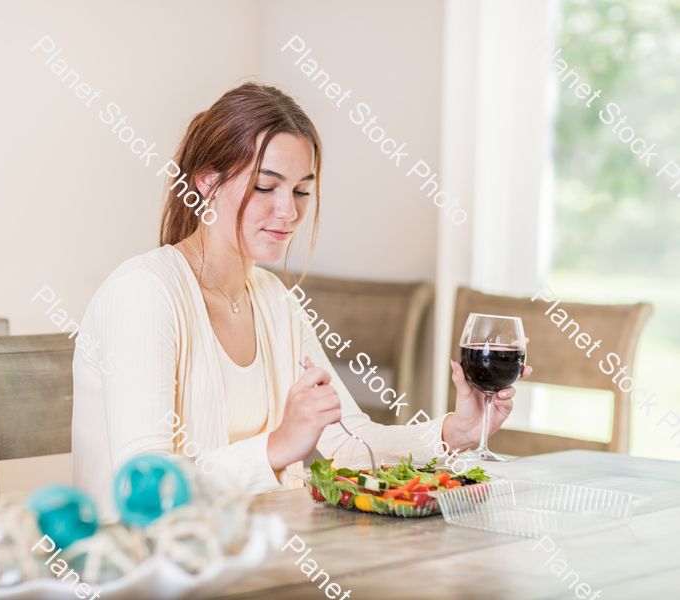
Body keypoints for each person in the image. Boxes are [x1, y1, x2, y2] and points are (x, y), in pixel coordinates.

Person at [71, 82, 531, 520]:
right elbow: (143, 488)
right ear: (207, 185)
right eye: (265, 187)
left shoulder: (273, 299)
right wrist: (277, 445)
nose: (288, 212)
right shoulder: (143, 293)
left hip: (247, 560)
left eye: (301, 191)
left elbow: (349, 443)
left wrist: (456, 432)